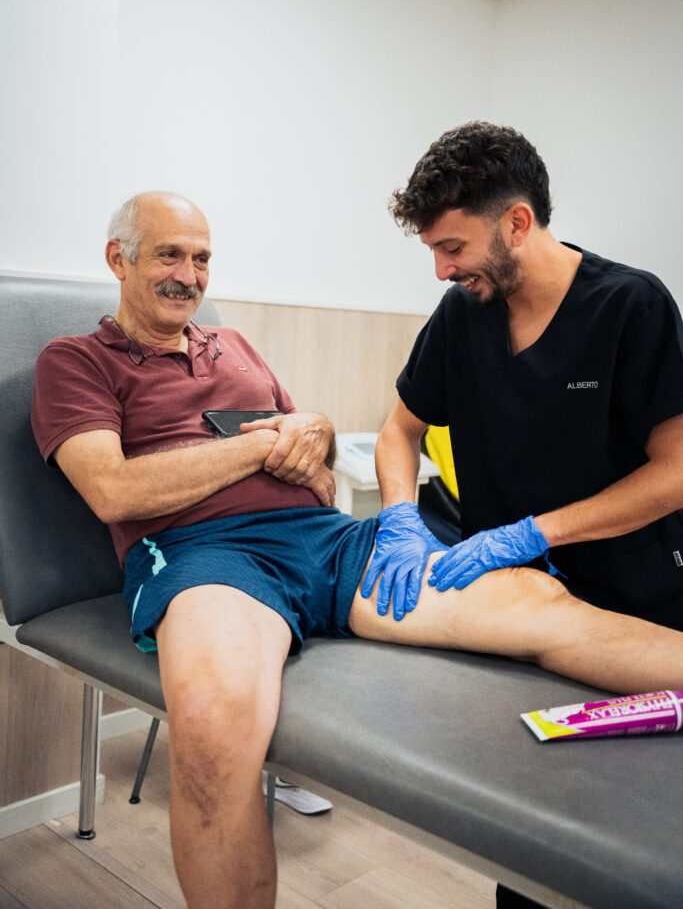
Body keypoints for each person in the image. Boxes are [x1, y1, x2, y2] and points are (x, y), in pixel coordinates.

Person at [31, 191, 683, 909]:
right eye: (169, 255)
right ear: (118, 259)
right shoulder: (75, 361)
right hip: (209, 558)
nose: (189, 275)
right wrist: (263, 448)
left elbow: (311, 454)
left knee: (535, 600)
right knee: (214, 733)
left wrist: (312, 428)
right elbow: (114, 490)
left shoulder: (234, 345)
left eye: (202, 258)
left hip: (330, 542)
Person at [365, 121, 683, 909]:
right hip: (512, 608)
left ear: (515, 221)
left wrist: (536, 531)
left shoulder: (628, 306)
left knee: (634, 843)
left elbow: (676, 472)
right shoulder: (462, 314)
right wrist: (399, 517)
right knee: (531, 837)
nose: (441, 270)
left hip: (630, 600)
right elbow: (399, 430)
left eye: (451, 247)